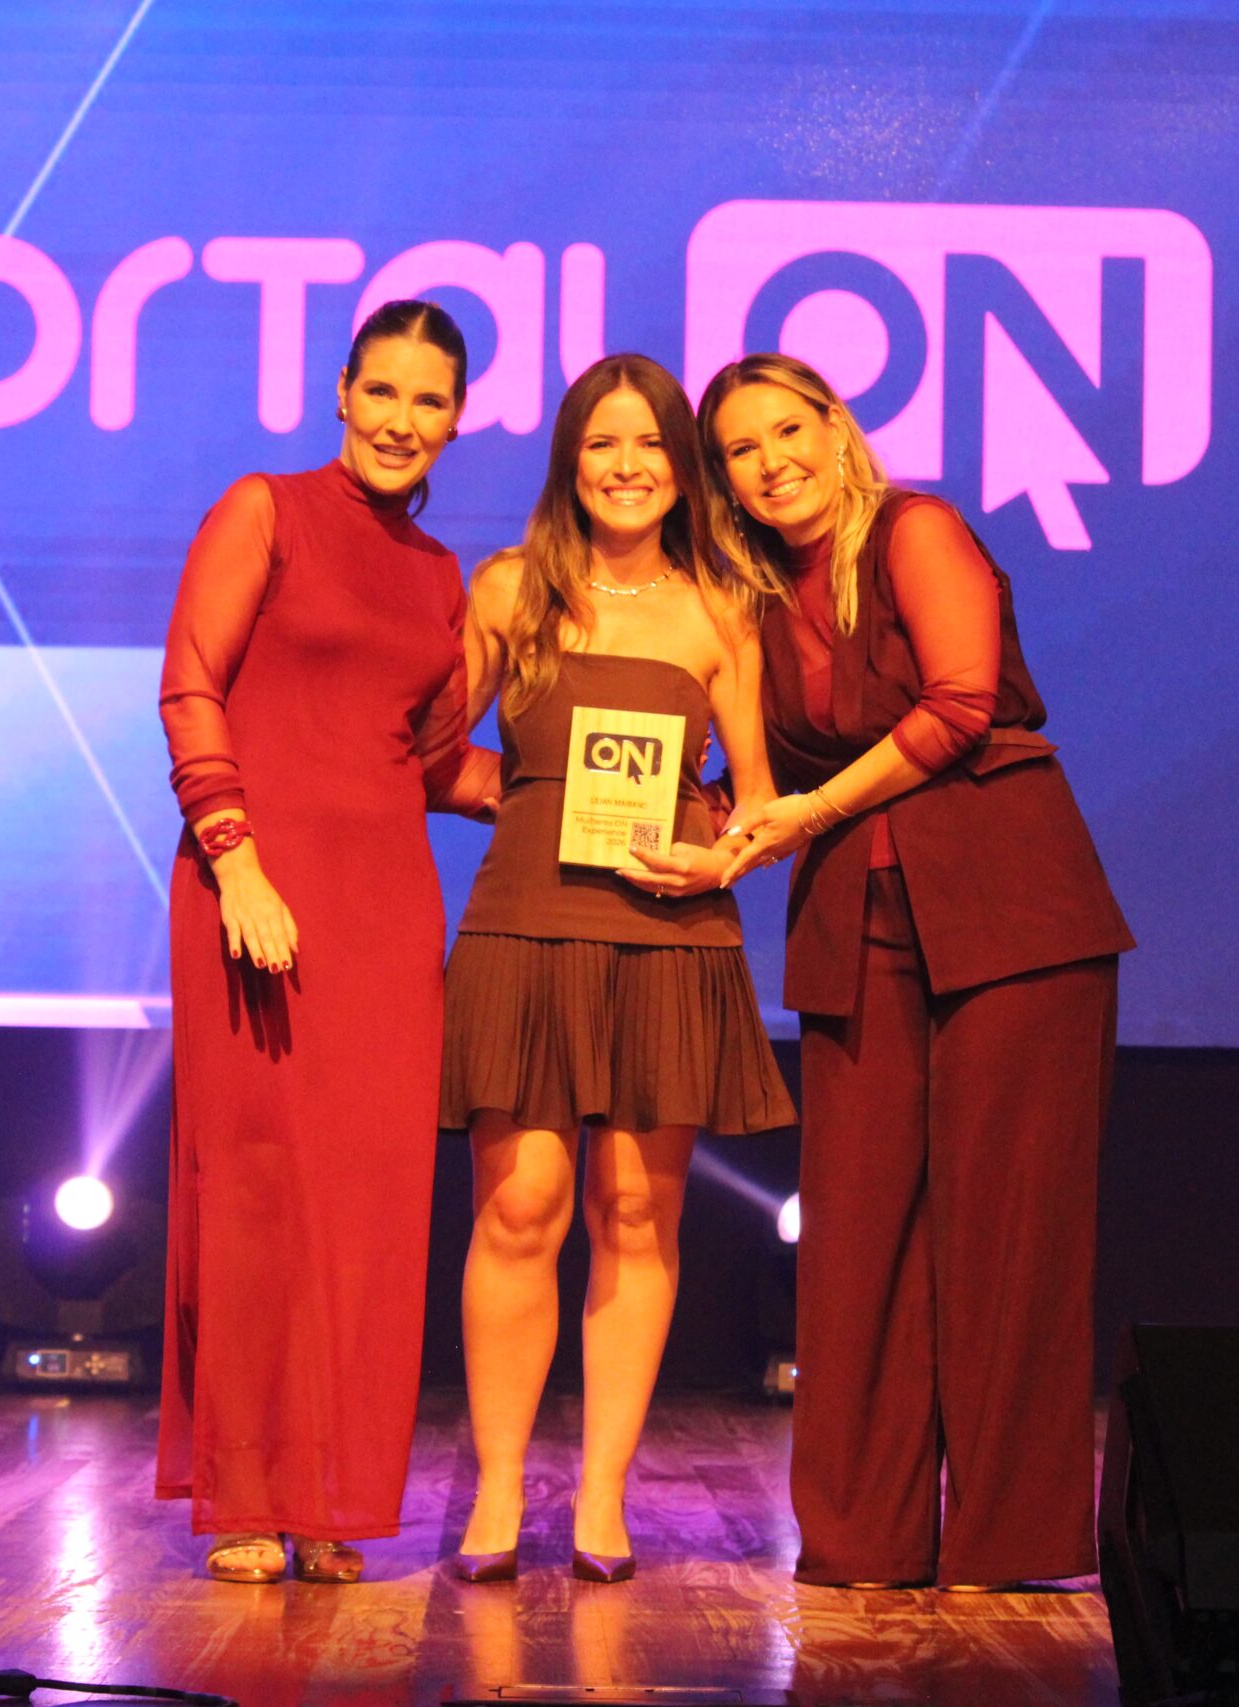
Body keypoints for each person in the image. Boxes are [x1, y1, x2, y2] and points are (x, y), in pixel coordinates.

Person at [699, 353, 1134, 1591]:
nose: (771, 463)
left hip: (1009, 913)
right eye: (740, 450)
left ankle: (1010, 1542)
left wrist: (804, 813)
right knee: (857, 1236)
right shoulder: (755, 597)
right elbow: (763, 786)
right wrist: (691, 833)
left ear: (835, 429)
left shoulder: (917, 529)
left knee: (1009, 1235)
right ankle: (865, 1538)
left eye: (788, 430)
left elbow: (957, 708)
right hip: (857, 925)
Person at [156, 300, 498, 1584]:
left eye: (430, 401)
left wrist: (598, 791)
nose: (403, 420)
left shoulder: (438, 576)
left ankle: (331, 1497)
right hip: (254, 889)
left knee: (367, 1205)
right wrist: (235, 857)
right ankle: (249, 1490)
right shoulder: (266, 509)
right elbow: (191, 683)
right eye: (384, 391)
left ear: (456, 421)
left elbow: (432, 764)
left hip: (385, 914)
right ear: (341, 393)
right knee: (258, 1191)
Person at [442, 353, 794, 1585]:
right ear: (570, 462)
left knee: (636, 1215)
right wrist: (525, 795)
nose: (628, 465)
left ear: (684, 470)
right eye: (602, 443)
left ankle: (601, 1497)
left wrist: (716, 855)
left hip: (667, 939)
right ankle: (497, 1490)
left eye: (650, 444)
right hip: (525, 930)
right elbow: (427, 752)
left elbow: (761, 801)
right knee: (518, 1209)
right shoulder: (509, 588)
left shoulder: (721, 609)